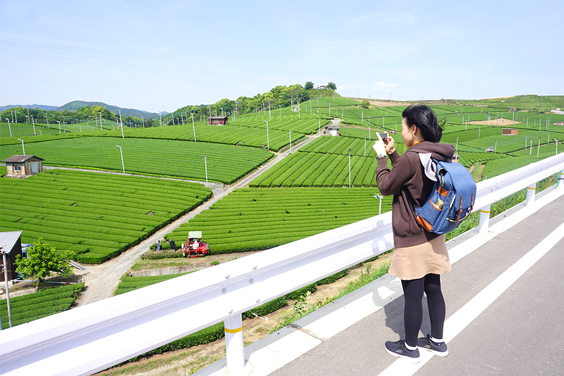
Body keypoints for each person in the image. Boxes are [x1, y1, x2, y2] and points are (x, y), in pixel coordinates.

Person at [373, 105, 454, 363]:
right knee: (433, 288)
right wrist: (395, 152)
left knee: (412, 295)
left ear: (414, 129)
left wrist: (381, 158)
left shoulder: (412, 158)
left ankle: (409, 347)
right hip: (435, 232)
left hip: (413, 236)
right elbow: (414, 180)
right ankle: (437, 341)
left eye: (403, 126)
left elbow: (387, 185)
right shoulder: (439, 153)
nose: (401, 131)